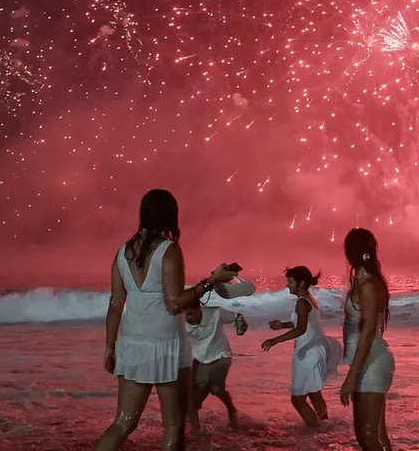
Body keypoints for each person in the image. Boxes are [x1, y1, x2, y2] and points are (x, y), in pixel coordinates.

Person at [97, 189, 237, 451]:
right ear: (170, 215)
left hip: (132, 344)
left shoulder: (122, 252)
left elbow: (116, 304)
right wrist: (211, 281)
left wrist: (109, 346)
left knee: (123, 423)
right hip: (166, 345)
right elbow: (174, 303)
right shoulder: (168, 250)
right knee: (173, 425)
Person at [261, 266, 341, 427]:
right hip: (316, 347)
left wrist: (274, 340)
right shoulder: (308, 299)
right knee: (313, 392)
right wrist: (282, 325)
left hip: (309, 351)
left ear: (301, 283)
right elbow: (303, 323)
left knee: (297, 398)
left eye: (291, 282)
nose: (287, 285)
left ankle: (316, 429)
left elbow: (301, 328)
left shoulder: (302, 302)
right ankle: (325, 426)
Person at [340, 229, 396, 451]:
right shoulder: (361, 282)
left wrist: (352, 377)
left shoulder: (369, 285)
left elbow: (368, 332)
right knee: (373, 435)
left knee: (368, 435)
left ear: (350, 252)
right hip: (364, 360)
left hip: (371, 362)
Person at [184, 297, 247, 430]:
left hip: (221, 355)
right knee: (191, 401)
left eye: (190, 314)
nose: (187, 318)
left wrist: (241, 325)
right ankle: (197, 432)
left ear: (198, 308)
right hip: (200, 359)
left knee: (216, 389)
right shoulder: (181, 322)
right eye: (185, 314)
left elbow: (237, 316)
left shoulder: (215, 313)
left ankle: (231, 410)